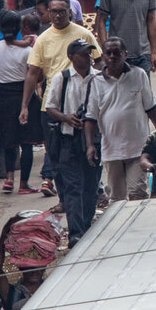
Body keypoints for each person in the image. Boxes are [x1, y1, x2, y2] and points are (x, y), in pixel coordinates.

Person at [19, 0, 99, 198]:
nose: (57, 15)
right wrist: (25, 106)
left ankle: (91, 193)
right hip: (52, 106)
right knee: (56, 155)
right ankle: (65, 198)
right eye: (53, 11)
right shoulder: (43, 40)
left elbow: (98, 64)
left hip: (83, 102)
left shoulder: (83, 35)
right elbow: (32, 72)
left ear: (70, 12)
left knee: (88, 150)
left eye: (62, 11)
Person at [84, 37, 156, 202]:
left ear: (125, 54)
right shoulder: (95, 82)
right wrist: (90, 145)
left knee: (138, 193)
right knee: (117, 198)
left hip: (138, 147)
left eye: (116, 53)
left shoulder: (139, 75)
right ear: (102, 56)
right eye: (108, 53)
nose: (112, 56)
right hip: (112, 149)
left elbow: (150, 108)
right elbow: (90, 118)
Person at [45, 39, 102, 246]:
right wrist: (66, 117)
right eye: (83, 54)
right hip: (68, 139)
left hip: (94, 140)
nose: (87, 57)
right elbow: (50, 107)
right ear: (71, 57)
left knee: (90, 186)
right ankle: (76, 232)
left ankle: (86, 226)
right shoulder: (63, 78)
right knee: (72, 187)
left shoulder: (99, 77)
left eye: (89, 53)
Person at [0, 10, 42, 195]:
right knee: (26, 144)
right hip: (25, 98)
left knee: (9, 141)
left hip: (4, 99)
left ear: (0, 27)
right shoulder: (28, 50)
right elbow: (34, 76)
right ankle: (24, 184)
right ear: (19, 27)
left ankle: (9, 178)